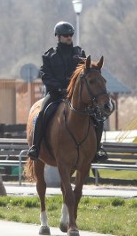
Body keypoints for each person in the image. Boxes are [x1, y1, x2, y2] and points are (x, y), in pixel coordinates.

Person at [27, 21, 108, 162]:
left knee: (97, 116)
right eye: (66, 35)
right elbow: (45, 75)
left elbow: (86, 74)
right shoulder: (49, 55)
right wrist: (60, 89)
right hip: (55, 94)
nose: (69, 37)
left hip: (76, 96)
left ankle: (97, 149)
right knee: (41, 113)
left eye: (71, 34)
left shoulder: (79, 53)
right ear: (58, 36)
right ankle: (36, 147)